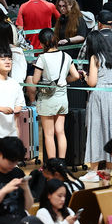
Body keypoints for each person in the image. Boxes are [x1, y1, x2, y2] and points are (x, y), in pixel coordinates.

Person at [81, 31, 112, 183]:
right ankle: (110, 168)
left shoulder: (95, 58)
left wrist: (85, 76)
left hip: (99, 95)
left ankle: (93, 170)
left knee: (96, 130)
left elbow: (92, 82)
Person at [33, 29, 81, 160]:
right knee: (60, 131)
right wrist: (64, 80)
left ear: (43, 43)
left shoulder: (42, 58)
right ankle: (61, 163)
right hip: (62, 98)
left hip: (47, 99)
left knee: (48, 134)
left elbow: (35, 81)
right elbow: (76, 76)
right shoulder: (66, 56)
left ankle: (52, 164)